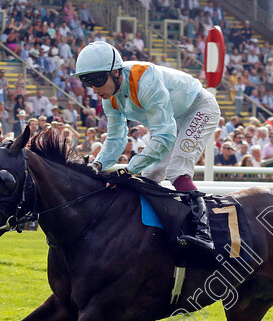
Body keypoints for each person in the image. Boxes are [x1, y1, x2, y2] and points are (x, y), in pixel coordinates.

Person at [74, 41, 218, 253]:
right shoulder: (109, 97)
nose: (94, 89)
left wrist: (129, 169)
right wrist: (97, 165)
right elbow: (115, 138)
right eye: (87, 82)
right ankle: (152, 233)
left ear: (115, 72)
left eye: (97, 80)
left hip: (199, 108)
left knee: (177, 171)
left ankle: (203, 232)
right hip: (173, 117)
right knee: (150, 176)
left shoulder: (145, 80)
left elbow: (165, 135)